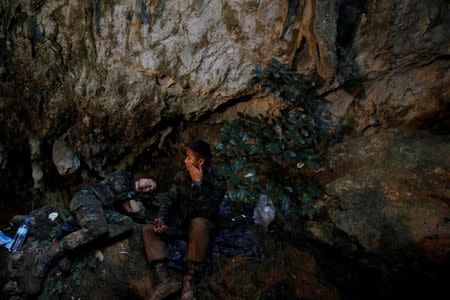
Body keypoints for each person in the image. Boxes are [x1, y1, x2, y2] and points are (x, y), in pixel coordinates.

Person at [27, 170, 157, 295]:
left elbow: (137, 213)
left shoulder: (134, 196)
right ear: (143, 178)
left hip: (103, 212)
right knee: (100, 229)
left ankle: (73, 248)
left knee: (127, 223)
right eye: (150, 182)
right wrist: (133, 199)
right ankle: (47, 258)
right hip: (88, 198)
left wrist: (134, 198)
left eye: (150, 188)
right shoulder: (124, 176)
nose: (148, 185)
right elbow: (129, 207)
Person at [143, 140, 226, 300]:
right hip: (180, 224)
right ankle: (165, 280)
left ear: (200, 161)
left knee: (199, 223)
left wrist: (197, 183)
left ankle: (190, 279)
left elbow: (206, 211)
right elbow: (169, 200)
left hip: (200, 229)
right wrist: (161, 219)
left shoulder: (218, 181)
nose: (185, 160)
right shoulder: (181, 175)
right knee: (148, 228)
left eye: (188, 157)